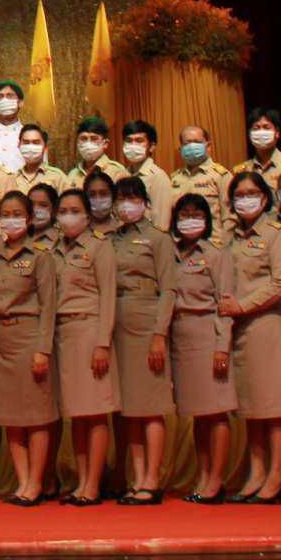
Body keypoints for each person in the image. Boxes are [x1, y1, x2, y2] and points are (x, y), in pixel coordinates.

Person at [220, 171, 281, 503]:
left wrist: (243, 305)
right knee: (250, 404)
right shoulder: (229, 235)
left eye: (252, 193)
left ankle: (276, 474)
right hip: (237, 328)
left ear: (265, 198)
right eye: (239, 195)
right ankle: (256, 472)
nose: (245, 200)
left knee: (274, 404)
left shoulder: (277, 233)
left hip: (265, 323)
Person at [0, 189, 57, 505]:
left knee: (35, 416)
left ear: (30, 218)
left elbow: (48, 306)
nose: (10, 221)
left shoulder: (40, 256)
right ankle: (22, 482)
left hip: (29, 338)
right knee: (9, 416)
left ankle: (35, 482)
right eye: (5, 215)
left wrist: (43, 349)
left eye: (17, 215)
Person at [164, 193, 236, 505]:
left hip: (208, 335)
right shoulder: (170, 253)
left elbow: (225, 304)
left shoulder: (216, 254)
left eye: (196, 214)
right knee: (197, 414)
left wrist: (222, 347)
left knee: (215, 413)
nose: (189, 219)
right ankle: (203, 476)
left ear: (207, 220)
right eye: (184, 214)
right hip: (180, 340)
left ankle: (216, 480)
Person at [109, 177, 175, 505]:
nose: (126, 205)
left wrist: (159, 335)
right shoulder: (111, 239)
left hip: (147, 322)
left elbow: (169, 289)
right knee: (129, 409)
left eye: (133, 198)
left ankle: (153, 478)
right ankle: (136, 478)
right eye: (121, 199)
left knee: (151, 408)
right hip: (118, 325)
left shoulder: (158, 238)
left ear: (145, 202)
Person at [51, 189, 117, 505]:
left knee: (95, 412)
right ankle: (81, 481)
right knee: (76, 414)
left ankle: (93, 484)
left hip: (90, 330)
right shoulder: (53, 249)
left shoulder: (99, 247)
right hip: (62, 334)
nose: (68, 216)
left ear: (88, 214)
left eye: (75, 210)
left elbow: (108, 296)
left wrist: (103, 343)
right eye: (63, 210)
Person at [170, 124, 231, 235]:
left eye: (197, 142)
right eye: (187, 143)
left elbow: (229, 217)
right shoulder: (174, 178)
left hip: (211, 242)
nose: (192, 146)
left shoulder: (221, 176)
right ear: (180, 149)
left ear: (208, 146)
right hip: (180, 242)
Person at [114, 119, 174, 230]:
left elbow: (161, 224)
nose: (133, 145)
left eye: (139, 140)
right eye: (128, 140)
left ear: (151, 146)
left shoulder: (158, 177)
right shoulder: (120, 175)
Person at [234, 108, 281, 186]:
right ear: (249, 134)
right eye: (256, 128)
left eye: (266, 127)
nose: (261, 132)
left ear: (277, 132)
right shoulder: (242, 171)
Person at [5, 124, 69, 197]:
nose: (30, 147)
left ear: (45, 148)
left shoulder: (58, 177)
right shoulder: (12, 179)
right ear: (19, 146)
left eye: (36, 143)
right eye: (26, 143)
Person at [0, 81, 28, 169]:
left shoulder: (30, 134)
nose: (4, 100)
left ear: (20, 103)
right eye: (0, 97)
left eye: (10, 96)